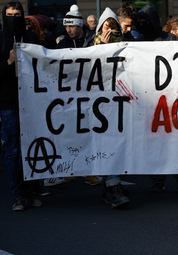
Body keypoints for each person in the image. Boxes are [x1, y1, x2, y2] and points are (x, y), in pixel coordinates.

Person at [47, 5, 101, 186]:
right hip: (69, 96)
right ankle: (69, 167)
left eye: (72, 26)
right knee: (70, 133)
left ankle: (89, 171)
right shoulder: (63, 42)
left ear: (80, 25)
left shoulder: (91, 40)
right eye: (66, 26)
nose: (68, 30)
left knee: (89, 133)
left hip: (89, 95)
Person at [136, 6, 178, 192]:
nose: (143, 25)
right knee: (155, 143)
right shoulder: (139, 41)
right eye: (140, 22)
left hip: (172, 98)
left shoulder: (170, 39)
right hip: (151, 100)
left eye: (145, 21)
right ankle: (158, 180)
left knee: (176, 140)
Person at [0, 0, 42, 211]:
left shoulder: (31, 37)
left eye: (17, 15)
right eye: (9, 15)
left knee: (32, 148)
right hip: (8, 103)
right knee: (13, 150)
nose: (13, 19)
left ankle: (31, 191)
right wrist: (8, 62)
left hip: (31, 102)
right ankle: (17, 195)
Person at [90, 7, 130, 208]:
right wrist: (103, 49)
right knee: (109, 143)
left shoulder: (128, 47)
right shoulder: (92, 46)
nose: (110, 33)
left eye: (113, 29)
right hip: (102, 105)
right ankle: (112, 187)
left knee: (120, 143)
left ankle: (112, 186)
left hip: (122, 102)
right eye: (106, 29)